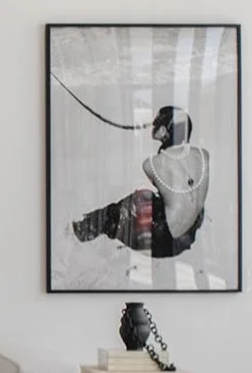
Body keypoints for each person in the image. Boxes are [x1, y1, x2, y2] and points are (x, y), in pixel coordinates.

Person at [71, 106, 210, 259]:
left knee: (139, 199)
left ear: (164, 131)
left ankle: (81, 231)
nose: (153, 124)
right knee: (175, 200)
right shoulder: (204, 155)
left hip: (165, 242)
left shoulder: (152, 164)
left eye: (157, 121)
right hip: (187, 238)